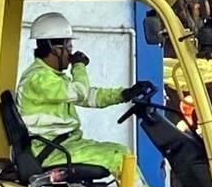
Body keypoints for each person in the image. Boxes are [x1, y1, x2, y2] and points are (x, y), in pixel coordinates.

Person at [16, 12, 153, 177]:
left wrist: (125, 94)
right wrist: (78, 66)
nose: (71, 53)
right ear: (56, 48)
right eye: (69, 47)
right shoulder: (38, 78)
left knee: (122, 151)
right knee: (119, 158)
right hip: (51, 152)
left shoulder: (52, 77)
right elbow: (80, 92)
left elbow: (89, 96)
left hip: (63, 145)